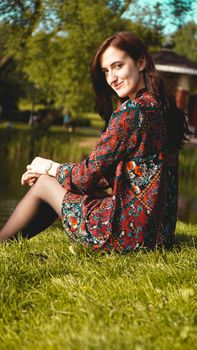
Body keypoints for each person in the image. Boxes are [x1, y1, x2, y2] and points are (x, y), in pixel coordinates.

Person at [0, 32, 190, 252]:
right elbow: (120, 175)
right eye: (106, 71)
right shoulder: (161, 107)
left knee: (44, 183)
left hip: (127, 235)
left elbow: (84, 177)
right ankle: (8, 246)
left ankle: (2, 243)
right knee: (56, 182)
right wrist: (60, 175)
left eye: (118, 66)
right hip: (159, 237)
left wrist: (49, 168)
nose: (112, 78)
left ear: (141, 62)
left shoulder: (132, 112)